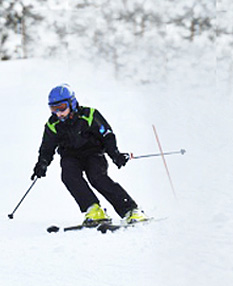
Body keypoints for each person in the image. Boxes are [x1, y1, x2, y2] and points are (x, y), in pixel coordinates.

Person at [31, 84, 148, 225]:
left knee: (97, 177)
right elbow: (47, 148)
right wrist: (42, 163)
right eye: (53, 109)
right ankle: (93, 210)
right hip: (70, 156)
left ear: (72, 103)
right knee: (69, 176)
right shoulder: (53, 124)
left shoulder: (89, 115)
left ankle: (131, 210)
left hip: (93, 153)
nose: (58, 113)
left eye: (61, 108)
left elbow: (107, 136)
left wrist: (115, 155)